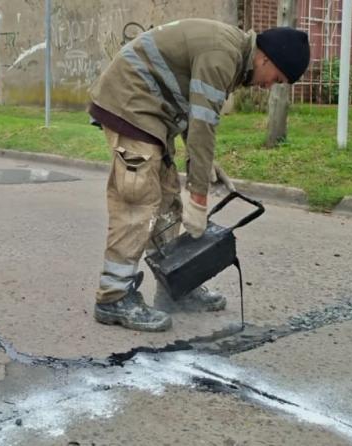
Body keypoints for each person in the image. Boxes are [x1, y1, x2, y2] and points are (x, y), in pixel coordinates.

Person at [89, 19, 310, 332]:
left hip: (151, 112)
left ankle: (175, 286)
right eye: (275, 78)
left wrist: (206, 167)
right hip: (130, 103)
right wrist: (198, 195)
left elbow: (196, 117)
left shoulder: (232, 57)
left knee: (167, 199)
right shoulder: (223, 54)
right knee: (137, 197)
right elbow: (204, 125)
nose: (268, 86)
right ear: (265, 59)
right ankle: (113, 297)